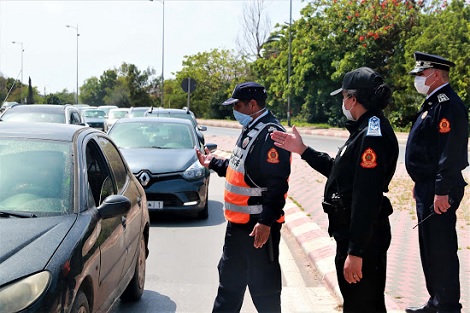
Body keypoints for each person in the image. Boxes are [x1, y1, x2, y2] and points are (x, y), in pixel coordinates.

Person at [270, 67, 398, 313]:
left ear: (353, 98)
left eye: (343, 97)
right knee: (360, 303)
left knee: (362, 305)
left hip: (362, 239)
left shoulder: (371, 134)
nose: (343, 102)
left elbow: (366, 196)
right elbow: (339, 171)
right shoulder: (363, 129)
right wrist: (303, 150)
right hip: (353, 234)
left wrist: (356, 251)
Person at [195, 82, 291, 312]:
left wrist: (266, 222)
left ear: (253, 104)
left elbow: (277, 185)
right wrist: (213, 163)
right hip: (237, 227)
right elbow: (241, 169)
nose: (234, 110)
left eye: (237, 105)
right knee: (228, 288)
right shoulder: (251, 129)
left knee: (265, 294)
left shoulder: (272, 135)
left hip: (258, 229)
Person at [404, 52, 468, 313]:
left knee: (441, 249)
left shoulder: (447, 105)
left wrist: (441, 190)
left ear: (437, 75)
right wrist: (419, 181)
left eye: (422, 74)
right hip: (428, 187)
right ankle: (436, 301)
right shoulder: (433, 103)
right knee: (430, 249)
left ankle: (448, 306)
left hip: (439, 189)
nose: (418, 79)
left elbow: (449, 153)